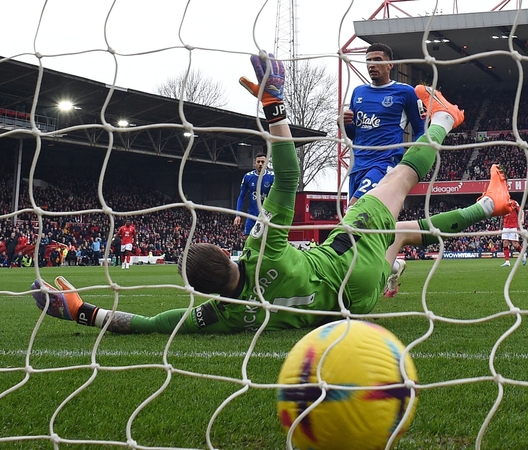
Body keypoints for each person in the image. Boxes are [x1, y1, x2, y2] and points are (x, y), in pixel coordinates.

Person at [30, 51, 511, 335]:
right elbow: (287, 176)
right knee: (400, 177)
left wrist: (85, 313)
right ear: (225, 251)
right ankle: (448, 117)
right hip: (345, 257)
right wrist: (274, 108)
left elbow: (156, 323)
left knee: (405, 233)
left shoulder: (224, 315)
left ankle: (491, 203)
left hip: (356, 303)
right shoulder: (262, 249)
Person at [339, 43, 425, 206]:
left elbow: (420, 129)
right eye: (368, 61)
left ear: (390, 65)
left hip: (384, 162)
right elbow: (354, 134)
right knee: (365, 220)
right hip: (358, 166)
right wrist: (343, 124)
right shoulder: (358, 92)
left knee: (354, 208)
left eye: (377, 60)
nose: (372, 65)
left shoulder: (405, 92)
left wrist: (413, 158)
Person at [233, 153, 275, 235]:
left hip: (266, 216)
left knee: (265, 241)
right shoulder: (248, 177)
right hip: (252, 215)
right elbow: (241, 196)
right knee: (247, 240)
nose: (260, 164)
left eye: (262, 162)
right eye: (258, 162)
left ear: (266, 163)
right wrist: (238, 215)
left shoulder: (272, 177)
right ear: (254, 163)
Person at [499, 199, 524, 267]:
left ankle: (523, 254)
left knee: (515, 245)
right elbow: (501, 217)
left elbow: (521, 210)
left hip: (513, 226)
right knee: (505, 243)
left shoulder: (514, 203)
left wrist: (522, 219)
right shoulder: (502, 205)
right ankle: (507, 261)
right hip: (505, 226)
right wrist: (500, 228)